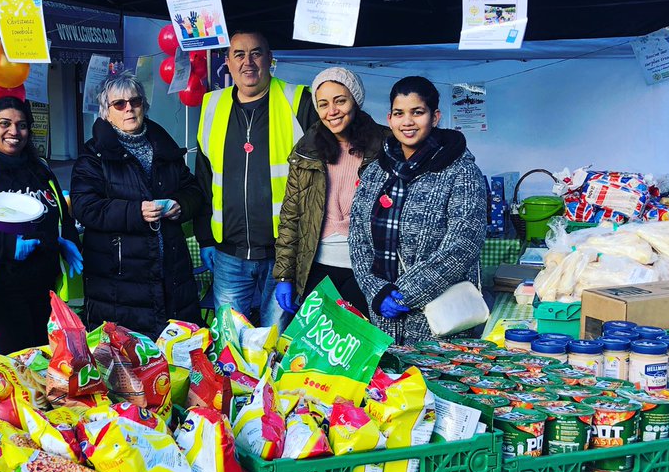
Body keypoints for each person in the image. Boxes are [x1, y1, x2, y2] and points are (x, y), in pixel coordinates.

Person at [350, 76, 487, 346]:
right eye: (399, 113)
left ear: (435, 117)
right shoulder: (376, 171)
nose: (407, 122)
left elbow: (463, 245)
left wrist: (404, 293)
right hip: (382, 318)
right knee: (388, 386)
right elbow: (357, 236)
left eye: (417, 112)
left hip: (439, 321)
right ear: (389, 118)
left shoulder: (461, 172)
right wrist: (376, 291)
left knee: (434, 387)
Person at [194, 30, 317, 331]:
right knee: (231, 345)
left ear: (270, 58)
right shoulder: (211, 106)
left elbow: (321, 179)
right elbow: (203, 179)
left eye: (256, 53)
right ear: (228, 62)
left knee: (276, 343)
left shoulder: (299, 101)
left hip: (284, 255)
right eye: (239, 54)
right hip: (228, 254)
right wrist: (206, 239)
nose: (248, 62)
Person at [72, 73, 205, 338]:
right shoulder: (94, 155)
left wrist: (181, 204)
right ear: (107, 113)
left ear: (144, 105)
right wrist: (135, 212)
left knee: (178, 360)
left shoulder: (164, 146)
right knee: (129, 366)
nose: (129, 108)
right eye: (119, 104)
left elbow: (193, 190)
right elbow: (84, 206)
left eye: (135, 101)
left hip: (172, 274)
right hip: (120, 282)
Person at [0, 95, 82, 354]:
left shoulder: (40, 168)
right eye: (4, 124)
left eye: (21, 125)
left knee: (46, 367)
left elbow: (60, 214)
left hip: (44, 289)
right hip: (4, 293)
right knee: (20, 369)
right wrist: (8, 246)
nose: (14, 131)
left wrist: (66, 240)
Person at [272, 67, 387, 316]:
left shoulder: (386, 146)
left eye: (340, 101)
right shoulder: (306, 150)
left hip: (368, 272)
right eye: (323, 104)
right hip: (318, 267)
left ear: (355, 100)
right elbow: (291, 217)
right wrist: (284, 276)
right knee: (320, 350)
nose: (331, 111)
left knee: (361, 349)